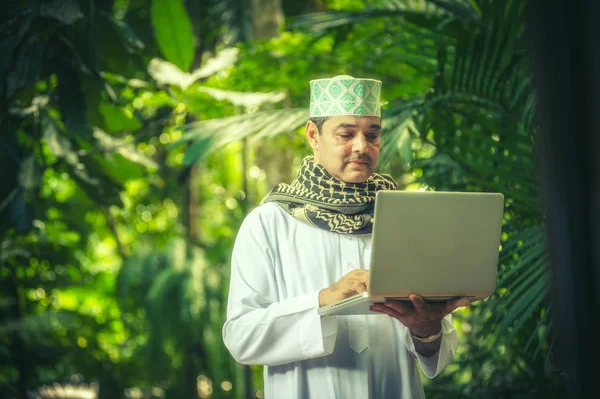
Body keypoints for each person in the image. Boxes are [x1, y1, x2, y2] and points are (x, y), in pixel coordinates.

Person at [222, 76, 469, 398]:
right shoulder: (269, 222)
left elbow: (438, 351)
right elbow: (241, 337)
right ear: (314, 135)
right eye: (346, 134)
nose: (361, 147)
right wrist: (323, 300)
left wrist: (426, 330)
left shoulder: (408, 220)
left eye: (372, 134)